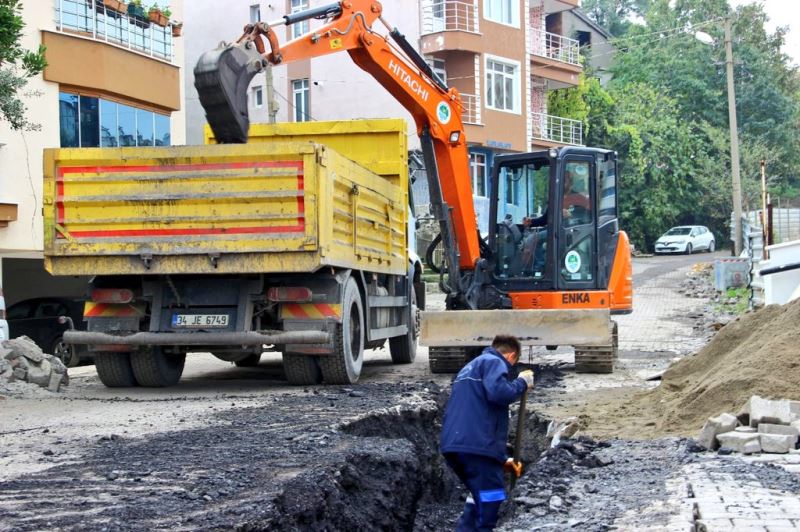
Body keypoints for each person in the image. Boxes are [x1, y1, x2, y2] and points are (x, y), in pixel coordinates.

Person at [440, 335, 535, 531]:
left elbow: (477, 413)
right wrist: (521, 383)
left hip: (455, 445)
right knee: (492, 496)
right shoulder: (493, 361)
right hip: (478, 446)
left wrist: (501, 460)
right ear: (511, 356)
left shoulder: (469, 368)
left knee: (478, 496)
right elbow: (500, 393)